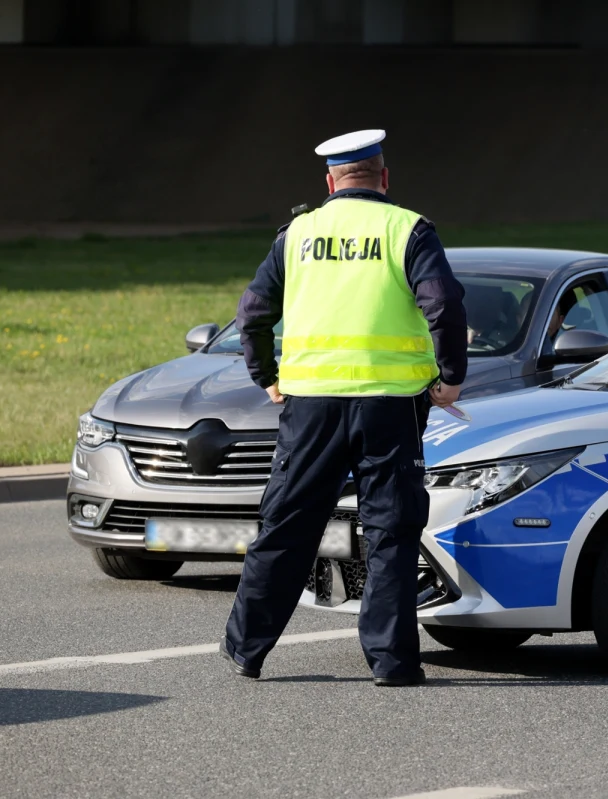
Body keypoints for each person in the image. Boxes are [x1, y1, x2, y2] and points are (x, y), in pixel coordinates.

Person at [221, 129, 468, 686]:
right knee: (390, 531)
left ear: (330, 182)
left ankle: (246, 649)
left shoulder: (299, 233)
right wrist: (450, 377)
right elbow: (445, 303)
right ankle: (392, 663)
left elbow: (252, 312)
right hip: (389, 408)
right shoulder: (407, 228)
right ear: (385, 178)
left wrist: (267, 378)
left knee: (286, 525)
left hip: (310, 408)